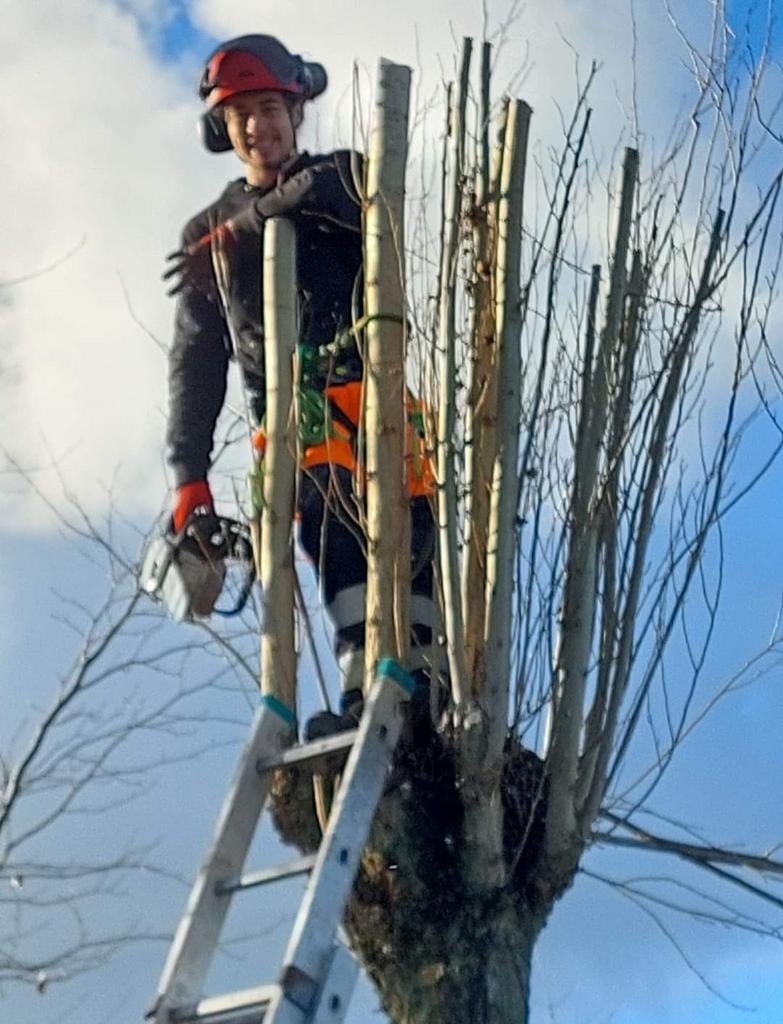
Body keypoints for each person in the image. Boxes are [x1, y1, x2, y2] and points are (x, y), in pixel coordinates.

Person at [164, 35, 437, 737]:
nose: (258, 126)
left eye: (268, 107)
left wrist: (242, 229)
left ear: (295, 109)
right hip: (299, 422)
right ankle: (361, 687)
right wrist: (186, 474)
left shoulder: (342, 178)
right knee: (332, 533)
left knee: (411, 537)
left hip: (379, 399)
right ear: (222, 133)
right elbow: (196, 362)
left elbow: (325, 192)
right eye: (239, 116)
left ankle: (426, 677)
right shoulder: (205, 240)